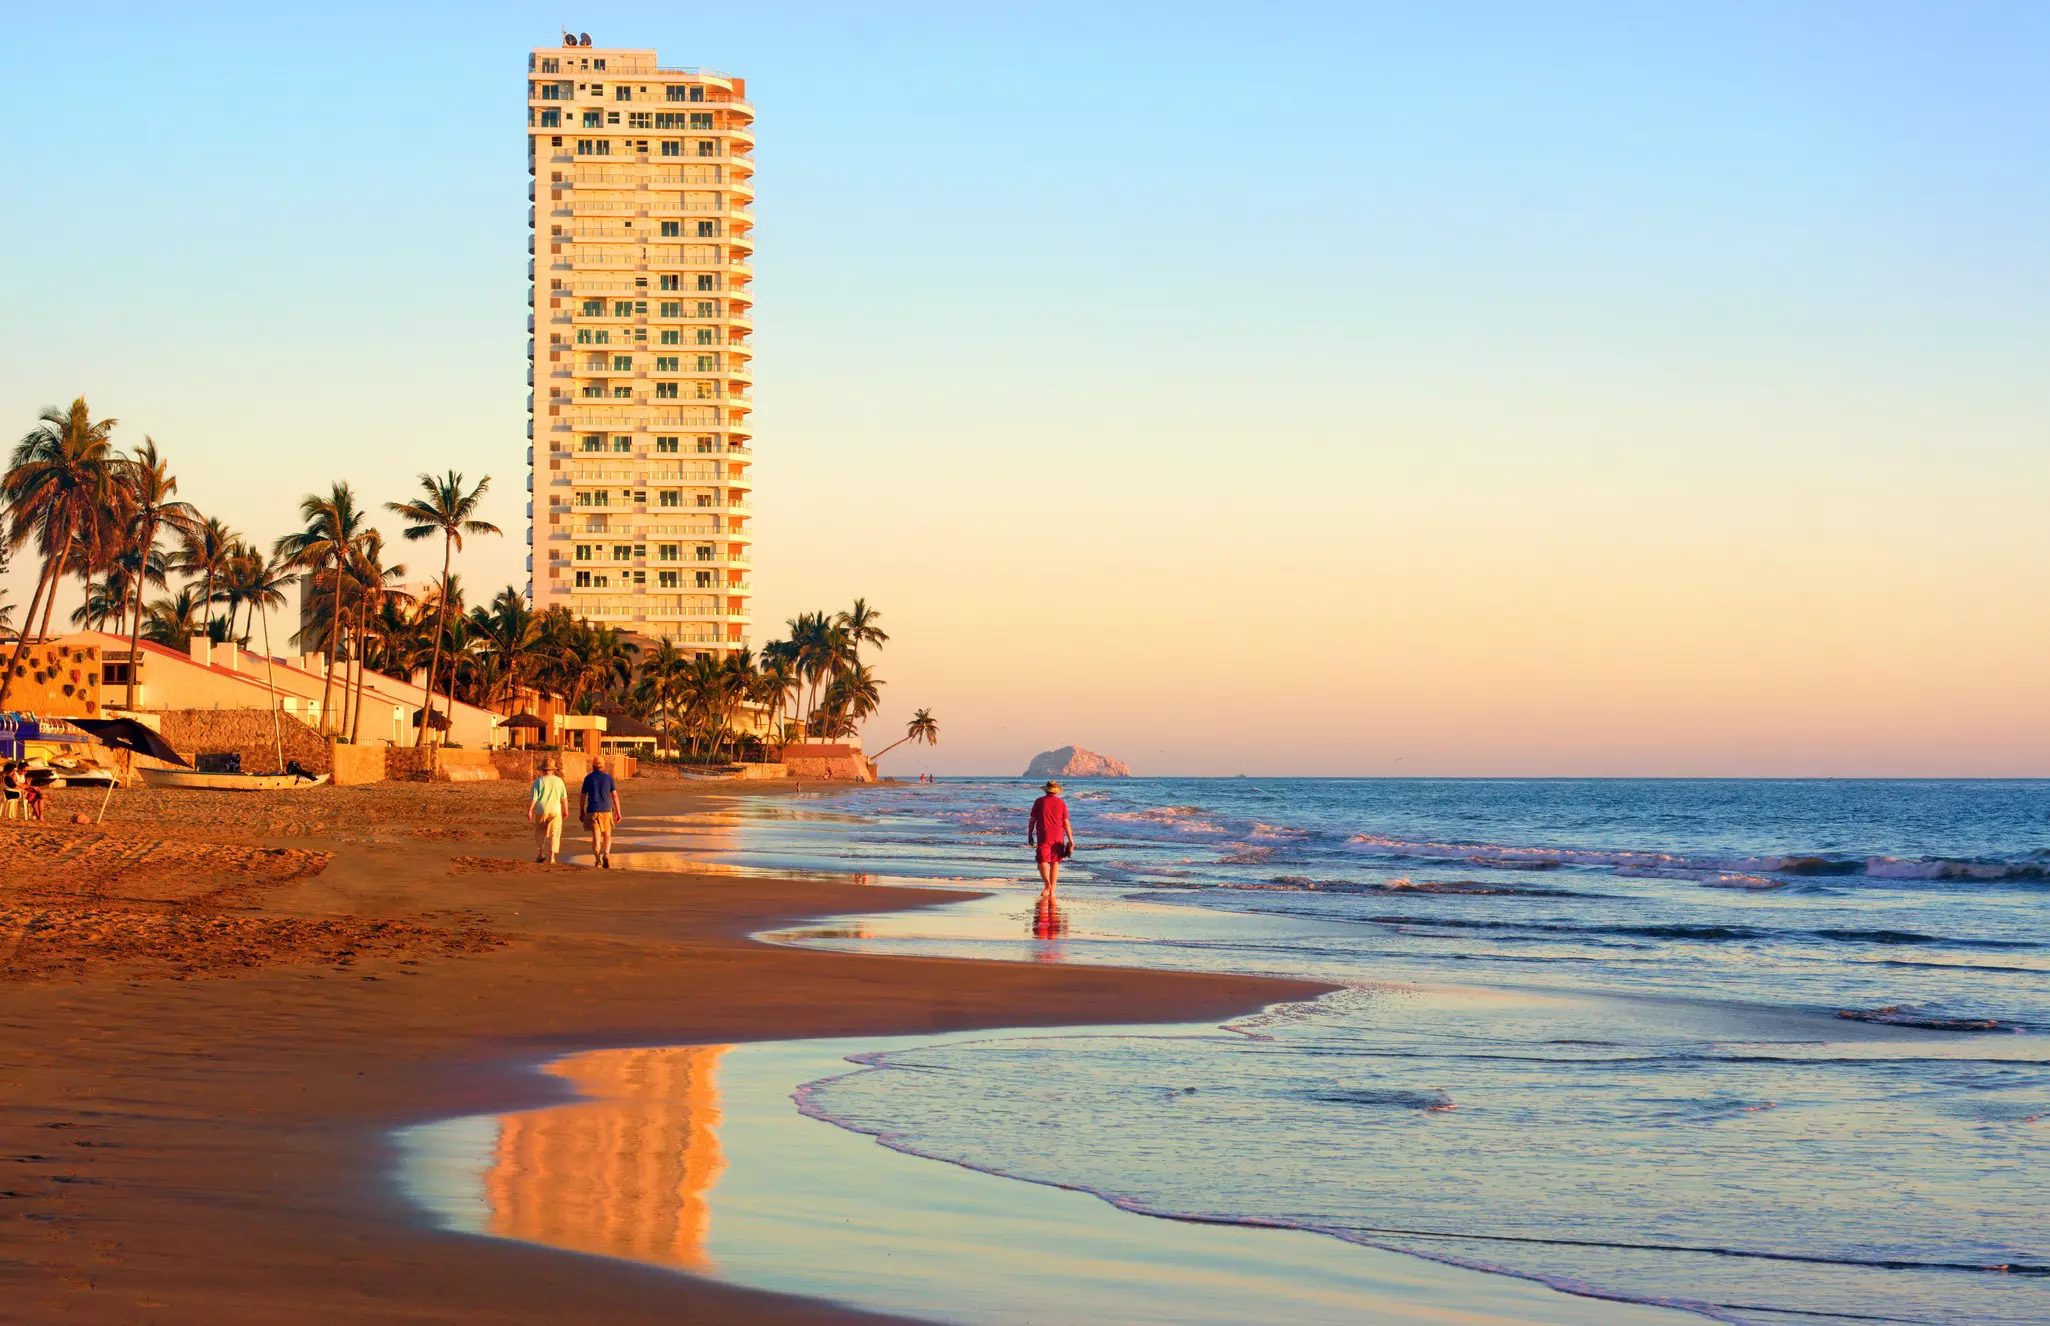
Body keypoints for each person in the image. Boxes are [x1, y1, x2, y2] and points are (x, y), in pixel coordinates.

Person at [1026, 779, 1074, 896]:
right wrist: (1070, 839)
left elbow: (1032, 820)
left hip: (1044, 835)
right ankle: (1052, 890)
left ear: (1046, 790)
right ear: (1056, 791)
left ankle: (1047, 885)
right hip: (1058, 835)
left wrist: (1030, 835)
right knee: (1055, 862)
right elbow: (1066, 822)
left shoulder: (1039, 801)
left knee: (1042, 860)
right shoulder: (1061, 803)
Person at [581, 761, 623, 869]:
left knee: (596, 836)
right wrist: (618, 812)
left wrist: (581, 811)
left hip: (593, 809)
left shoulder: (588, 778)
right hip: (606, 809)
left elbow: (583, 796)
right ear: (602, 766)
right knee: (607, 835)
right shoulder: (608, 778)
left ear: (592, 766)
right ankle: (607, 853)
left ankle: (598, 860)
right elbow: (615, 796)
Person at [528, 758, 568, 864]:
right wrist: (566, 810)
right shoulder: (559, 781)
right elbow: (564, 798)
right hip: (556, 810)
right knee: (555, 833)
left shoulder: (539, 781)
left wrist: (530, 810)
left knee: (540, 832)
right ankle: (552, 857)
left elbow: (534, 798)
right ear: (553, 770)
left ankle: (540, 853)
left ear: (543, 769)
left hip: (542, 809)